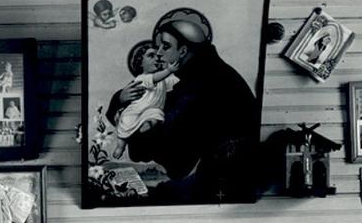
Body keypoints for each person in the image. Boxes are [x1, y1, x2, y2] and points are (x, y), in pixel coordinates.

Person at [106, 11, 258, 203]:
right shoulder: (208, 72)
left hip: (224, 183)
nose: (160, 52)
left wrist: (130, 121)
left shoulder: (201, 85)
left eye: (166, 46)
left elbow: (174, 160)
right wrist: (120, 99)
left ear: (183, 51)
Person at [112, 40, 180, 159]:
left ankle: (147, 125)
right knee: (126, 122)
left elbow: (178, 82)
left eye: (158, 56)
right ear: (140, 63)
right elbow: (156, 78)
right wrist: (168, 70)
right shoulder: (143, 78)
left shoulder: (164, 79)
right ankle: (120, 146)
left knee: (156, 115)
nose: (157, 58)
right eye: (151, 56)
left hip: (152, 109)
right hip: (136, 109)